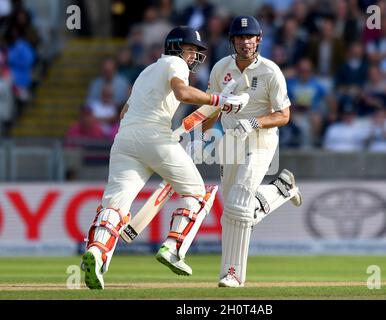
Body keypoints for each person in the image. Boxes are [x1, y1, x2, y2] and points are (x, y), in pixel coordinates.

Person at [80, 26, 250, 289]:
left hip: (124, 140)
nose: (193, 56)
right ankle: (172, 248)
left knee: (115, 205)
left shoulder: (145, 72)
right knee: (198, 194)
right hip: (154, 136)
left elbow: (125, 112)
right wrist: (221, 100)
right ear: (175, 47)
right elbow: (182, 92)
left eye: (195, 51)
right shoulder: (176, 63)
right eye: (190, 49)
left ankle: (95, 251)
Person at [204, 16, 303, 288]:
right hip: (230, 141)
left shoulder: (271, 71)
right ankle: (280, 188)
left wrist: (254, 122)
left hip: (261, 138)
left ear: (258, 39)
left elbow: (284, 115)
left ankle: (232, 274)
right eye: (240, 38)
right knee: (233, 211)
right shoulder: (220, 68)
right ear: (232, 41)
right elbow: (211, 108)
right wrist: (198, 134)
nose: (245, 43)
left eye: (250, 38)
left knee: (239, 201)